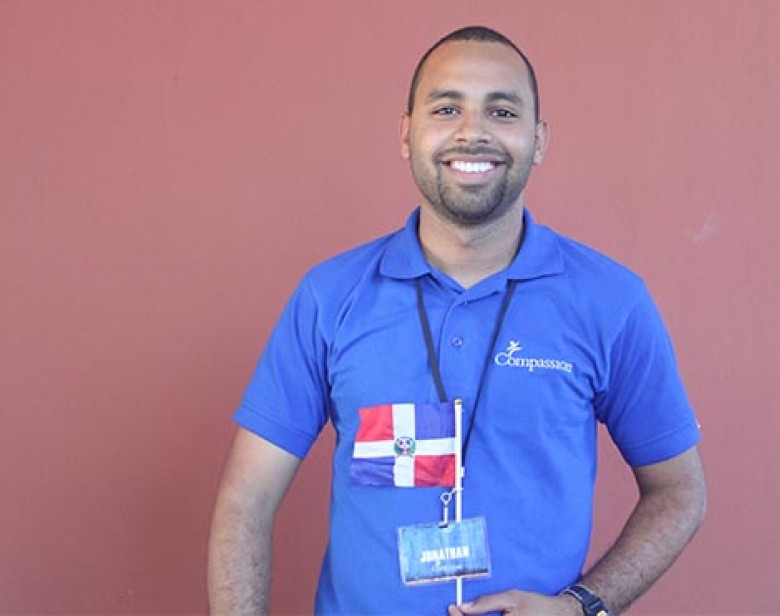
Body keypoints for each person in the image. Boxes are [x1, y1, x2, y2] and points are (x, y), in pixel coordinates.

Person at [208, 25, 706, 616]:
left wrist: (582, 606)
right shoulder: (330, 296)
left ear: (538, 139)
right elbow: (246, 498)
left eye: (501, 110)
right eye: (447, 108)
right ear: (406, 133)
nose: (473, 132)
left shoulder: (611, 301)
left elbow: (680, 491)